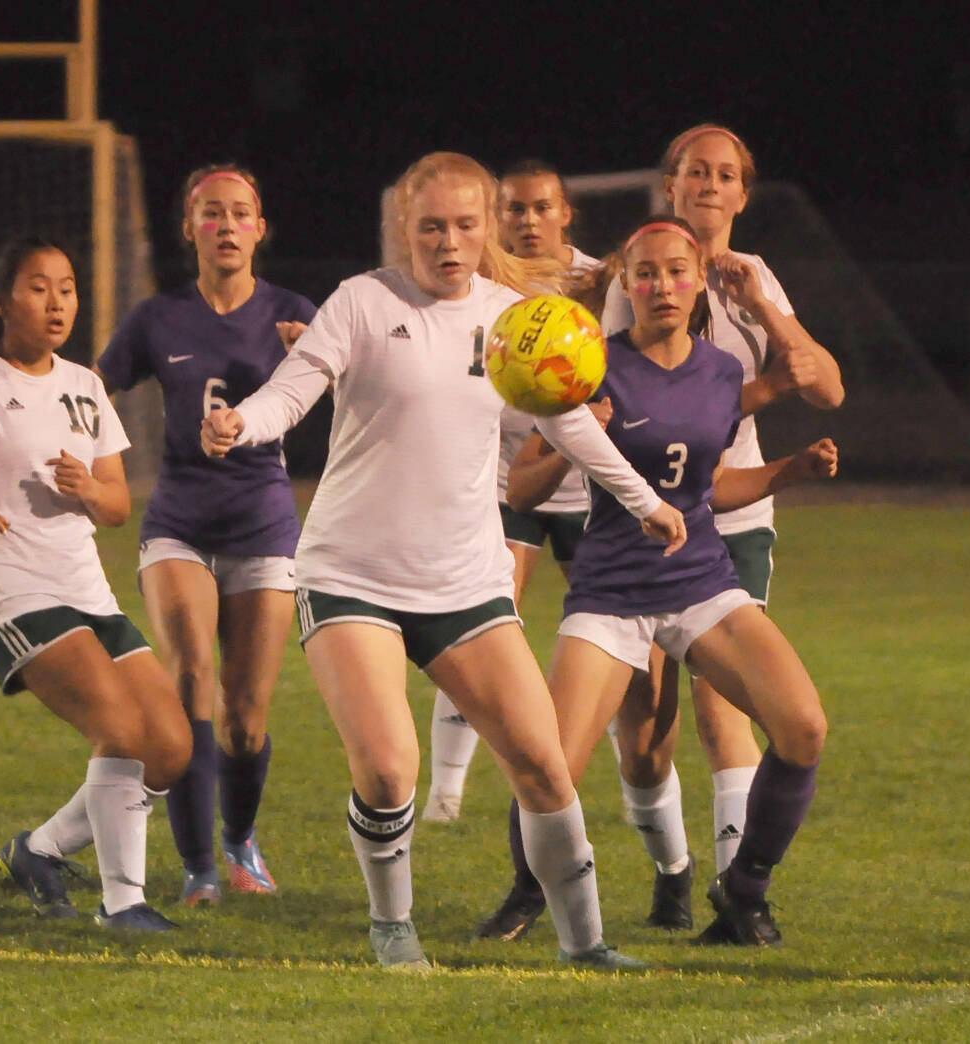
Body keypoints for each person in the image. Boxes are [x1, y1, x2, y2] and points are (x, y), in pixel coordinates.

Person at [202, 151, 686, 971]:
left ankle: (586, 945)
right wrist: (241, 424)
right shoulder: (361, 302)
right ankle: (393, 927)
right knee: (391, 770)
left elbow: (566, 421)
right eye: (432, 226)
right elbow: (294, 388)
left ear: (487, 227)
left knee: (542, 762)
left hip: (465, 583)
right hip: (351, 575)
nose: (450, 242)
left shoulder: (513, 319)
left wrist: (645, 501)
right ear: (405, 229)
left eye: (466, 225)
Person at [480, 215, 834, 947]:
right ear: (626, 285)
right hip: (610, 595)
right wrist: (579, 447)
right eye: (646, 273)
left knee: (802, 727)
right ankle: (526, 892)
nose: (662, 285)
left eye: (677, 270)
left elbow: (705, 490)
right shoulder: (589, 367)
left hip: (702, 583)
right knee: (550, 767)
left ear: (700, 280)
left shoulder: (720, 372)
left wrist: (789, 473)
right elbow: (521, 492)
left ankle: (744, 891)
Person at [0, 234, 191, 931]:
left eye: (67, 288)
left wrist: (88, 488)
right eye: (38, 287)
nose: (57, 302)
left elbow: (116, 506)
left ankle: (39, 850)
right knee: (117, 727)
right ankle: (124, 905)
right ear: (1, 301)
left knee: (170, 748)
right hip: (15, 590)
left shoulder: (85, 385)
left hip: (86, 588)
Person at [600, 125, 844, 937]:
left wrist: (766, 310)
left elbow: (827, 387)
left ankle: (743, 895)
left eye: (726, 174)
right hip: (641, 524)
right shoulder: (632, 277)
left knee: (723, 711)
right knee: (646, 735)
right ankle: (672, 872)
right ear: (669, 186)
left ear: (743, 195)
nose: (708, 184)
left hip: (732, 520)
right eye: (694, 172)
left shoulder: (756, 281)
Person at [96, 166, 317, 906]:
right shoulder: (157, 318)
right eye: (211, 213)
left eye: (241, 213)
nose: (226, 225)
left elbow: (358, 402)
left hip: (263, 525)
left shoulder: (294, 314)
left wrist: (314, 358)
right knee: (190, 678)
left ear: (261, 228)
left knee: (246, 717)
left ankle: (240, 841)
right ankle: (198, 871)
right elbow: (89, 393)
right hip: (179, 523)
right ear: (189, 228)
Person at [422, 160, 606, 825]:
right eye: (515, 209)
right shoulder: (479, 279)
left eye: (541, 208)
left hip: (585, 485)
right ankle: (446, 791)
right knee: (478, 620)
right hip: (505, 482)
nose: (528, 221)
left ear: (566, 214)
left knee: (608, 630)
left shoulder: (603, 280)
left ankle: (622, 771)